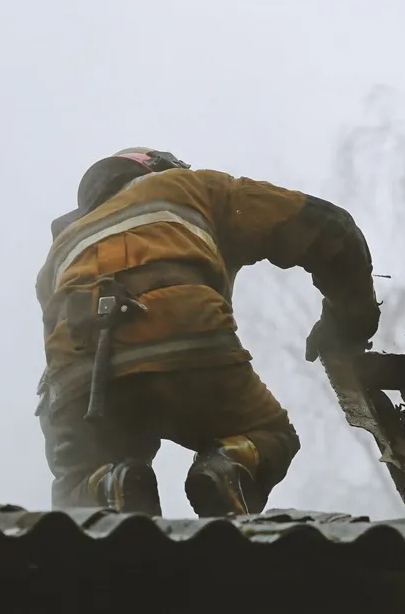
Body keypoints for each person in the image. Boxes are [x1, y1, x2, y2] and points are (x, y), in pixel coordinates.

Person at [34, 147, 380, 517]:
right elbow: (329, 227)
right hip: (184, 339)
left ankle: (106, 488)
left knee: (83, 477)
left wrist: (75, 465)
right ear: (157, 167)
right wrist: (348, 321)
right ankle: (229, 469)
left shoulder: (59, 253)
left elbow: (53, 378)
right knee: (269, 436)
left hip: (83, 380)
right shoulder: (192, 187)